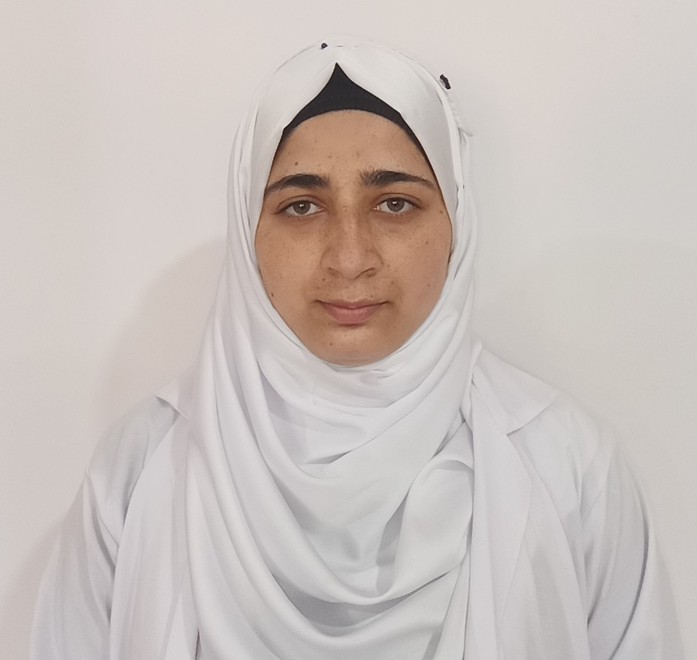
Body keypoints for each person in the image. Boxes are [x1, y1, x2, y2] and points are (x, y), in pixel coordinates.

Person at [31, 38, 683, 659]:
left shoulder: (566, 463)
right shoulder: (142, 467)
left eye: (394, 204)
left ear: (455, 223)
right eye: (301, 207)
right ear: (248, 228)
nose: (349, 258)